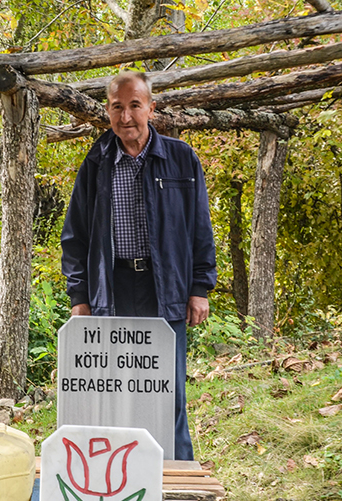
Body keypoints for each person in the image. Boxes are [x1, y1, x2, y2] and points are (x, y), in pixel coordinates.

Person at [60, 70, 217, 460]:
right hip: (111, 290)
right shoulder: (97, 161)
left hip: (165, 289)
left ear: (151, 108)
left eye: (135, 105)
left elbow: (199, 227)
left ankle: (176, 476)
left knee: (168, 391)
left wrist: (199, 288)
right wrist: (80, 297)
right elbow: (75, 236)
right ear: (107, 110)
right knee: (114, 390)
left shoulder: (181, 158)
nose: (126, 116)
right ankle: (118, 473)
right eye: (117, 107)